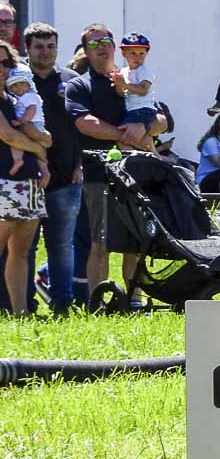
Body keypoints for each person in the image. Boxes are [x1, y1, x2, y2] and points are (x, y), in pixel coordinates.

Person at [65, 23, 166, 303]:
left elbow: (162, 121)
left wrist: (143, 127)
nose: (102, 47)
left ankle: (136, 300)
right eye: (94, 44)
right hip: (100, 175)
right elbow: (85, 124)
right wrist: (125, 135)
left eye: (106, 41)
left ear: (114, 46)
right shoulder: (79, 84)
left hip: (137, 173)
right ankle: (99, 302)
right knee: (101, 243)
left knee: (136, 242)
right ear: (86, 50)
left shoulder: (132, 79)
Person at [24, 23, 83, 314]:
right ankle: (24, 302)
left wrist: (80, 165)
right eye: (39, 46)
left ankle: (63, 302)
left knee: (62, 246)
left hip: (67, 178)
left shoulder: (71, 81)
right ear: (27, 49)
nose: (45, 52)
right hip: (27, 178)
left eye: (50, 46)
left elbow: (82, 127)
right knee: (26, 248)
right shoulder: (17, 80)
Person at [0, 43, 49, 316]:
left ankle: (21, 313)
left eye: (5, 63)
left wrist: (42, 145)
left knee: (20, 251)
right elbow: (8, 136)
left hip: (29, 183)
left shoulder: (17, 100)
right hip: (3, 183)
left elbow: (47, 136)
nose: (1, 69)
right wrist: (39, 147)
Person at [116, 33, 157, 152]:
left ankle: (146, 157)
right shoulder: (123, 72)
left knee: (123, 138)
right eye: (132, 53)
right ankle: (152, 156)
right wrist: (118, 84)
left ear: (146, 54)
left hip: (143, 110)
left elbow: (143, 90)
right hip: (131, 111)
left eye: (141, 53)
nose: (137, 57)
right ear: (124, 53)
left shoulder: (144, 71)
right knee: (140, 138)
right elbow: (121, 94)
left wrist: (124, 84)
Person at [6, 64, 44, 177]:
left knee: (17, 140)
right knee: (18, 143)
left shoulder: (29, 96)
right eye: (14, 85)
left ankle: (19, 160)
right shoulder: (20, 98)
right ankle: (21, 160)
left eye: (21, 83)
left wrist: (22, 121)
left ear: (28, 84)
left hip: (32, 124)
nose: (17, 87)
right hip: (29, 123)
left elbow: (31, 109)